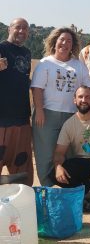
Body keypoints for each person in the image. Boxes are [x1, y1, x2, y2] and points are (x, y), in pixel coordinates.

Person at [31, 27, 90, 186]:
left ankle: (69, 189)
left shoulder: (78, 65)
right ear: (55, 41)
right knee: (45, 154)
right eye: (62, 40)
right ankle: (47, 188)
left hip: (72, 116)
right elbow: (37, 88)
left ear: (73, 45)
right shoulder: (45, 63)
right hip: (47, 114)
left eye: (69, 41)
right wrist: (39, 110)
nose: (65, 43)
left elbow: (88, 89)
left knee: (71, 154)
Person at [0, 18, 33, 186]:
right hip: (1, 119)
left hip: (21, 118)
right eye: (18, 27)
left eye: (25, 28)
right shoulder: (1, 48)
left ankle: (20, 207)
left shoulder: (27, 52)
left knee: (22, 168)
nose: (21, 31)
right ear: (9, 29)